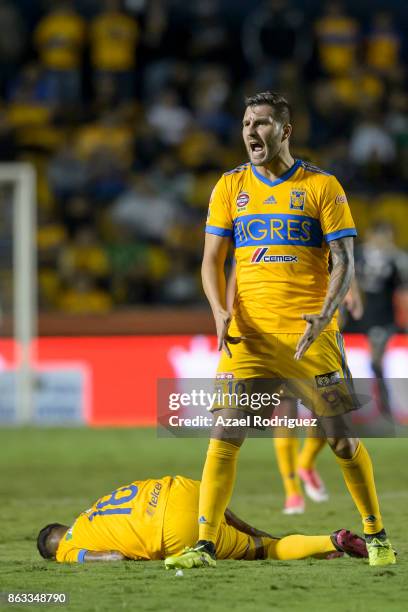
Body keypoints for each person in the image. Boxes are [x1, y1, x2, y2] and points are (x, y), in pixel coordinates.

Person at [169, 91, 395, 569]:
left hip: (309, 339)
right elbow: (211, 259)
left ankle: (377, 535)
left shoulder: (322, 186)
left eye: (264, 123)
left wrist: (326, 312)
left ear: (285, 131)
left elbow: (346, 261)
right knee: (224, 434)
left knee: (339, 438)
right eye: (247, 123)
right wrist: (217, 309)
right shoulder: (230, 187)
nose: (252, 131)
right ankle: (204, 544)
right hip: (248, 339)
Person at [37, 474, 367, 565]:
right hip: (183, 489)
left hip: (170, 530)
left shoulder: (67, 550)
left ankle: (330, 540)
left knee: (264, 550)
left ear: (56, 548)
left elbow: (114, 557)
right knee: (257, 537)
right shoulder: (92, 511)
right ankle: (293, 542)